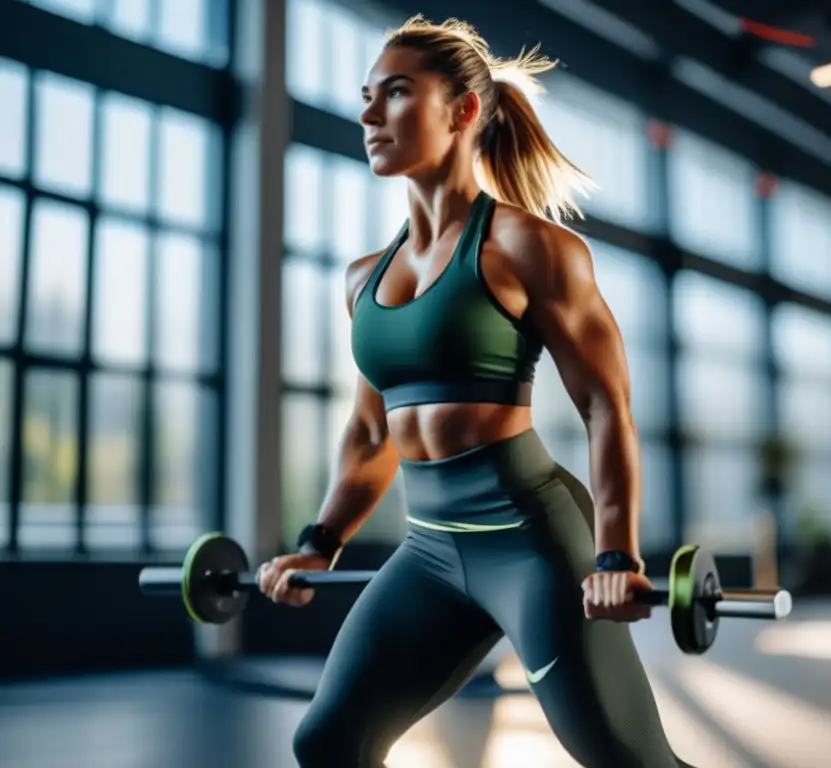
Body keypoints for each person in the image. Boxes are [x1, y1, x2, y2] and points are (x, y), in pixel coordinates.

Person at [257, 15, 693, 768]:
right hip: (427, 551)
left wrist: (615, 553)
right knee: (329, 742)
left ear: (461, 111)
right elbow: (369, 435)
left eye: (395, 93)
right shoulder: (364, 278)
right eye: (367, 96)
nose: (368, 115)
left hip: (532, 542)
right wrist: (318, 543)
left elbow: (604, 406)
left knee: (628, 758)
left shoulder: (532, 248)